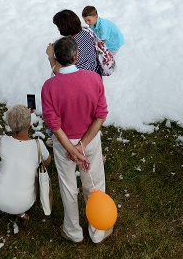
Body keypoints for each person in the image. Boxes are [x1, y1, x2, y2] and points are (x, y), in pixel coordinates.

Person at [41, 36, 111, 243]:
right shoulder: (94, 79)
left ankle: (73, 231)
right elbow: (101, 115)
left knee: (68, 187)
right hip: (89, 140)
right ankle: (98, 230)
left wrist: (72, 150)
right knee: (95, 183)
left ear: (56, 59)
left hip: (64, 145)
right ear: (76, 56)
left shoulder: (49, 86)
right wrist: (82, 146)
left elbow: (54, 125)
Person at [0, 104, 52, 219]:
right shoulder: (38, 145)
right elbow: (47, 162)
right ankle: (20, 212)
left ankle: (15, 209)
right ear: (29, 124)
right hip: (23, 203)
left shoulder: (4, 141)